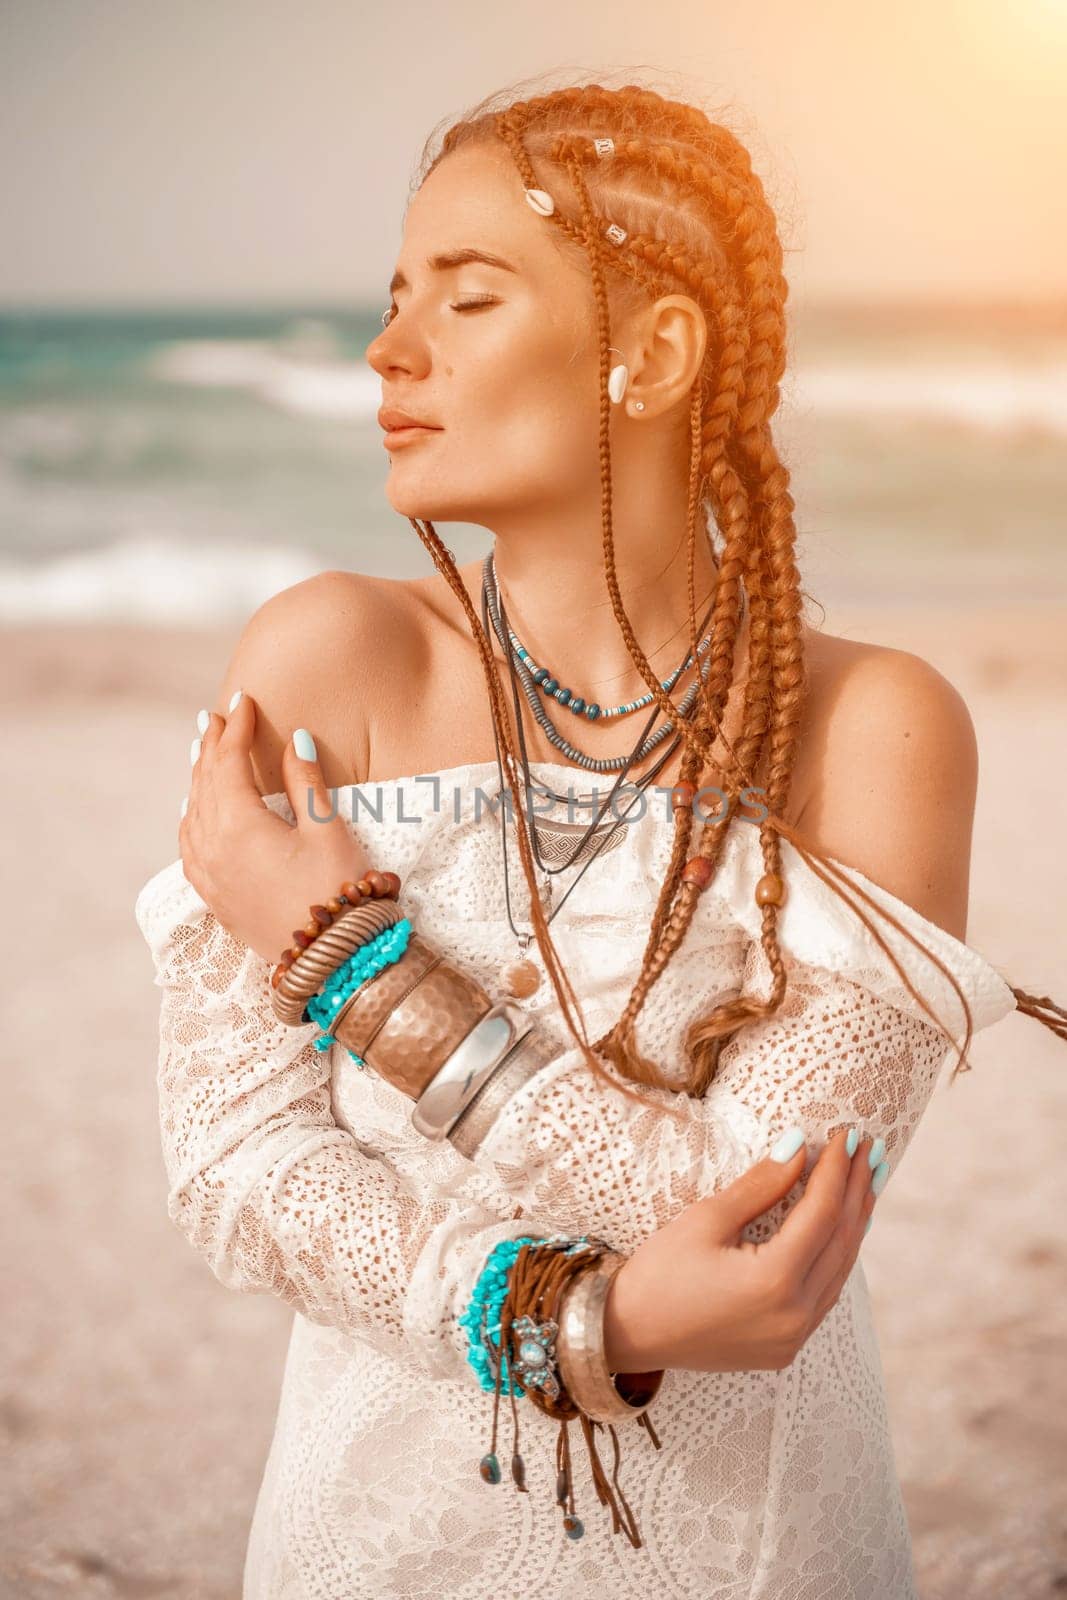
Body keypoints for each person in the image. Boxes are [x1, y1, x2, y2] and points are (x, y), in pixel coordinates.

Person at [133, 79, 1064, 1599]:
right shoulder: (325, 665)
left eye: (471, 295)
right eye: (392, 296)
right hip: (366, 1546)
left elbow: (765, 1239)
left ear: (654, 350)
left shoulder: (876, 730)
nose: (387, 349)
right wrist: (584, 1318)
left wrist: (361, 970)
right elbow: (233, 1170)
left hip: (762, 1552)